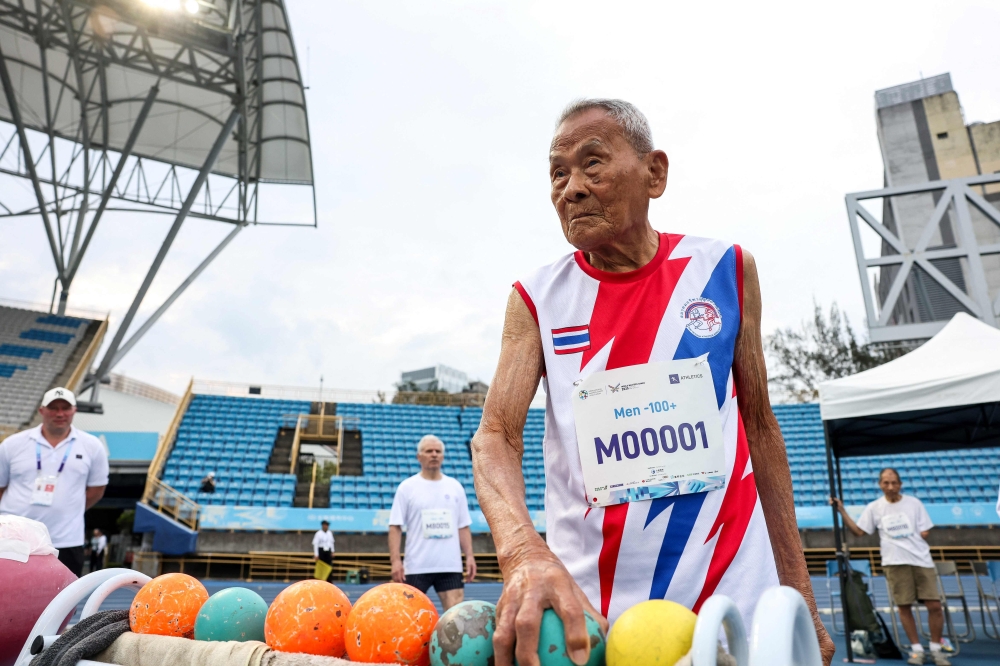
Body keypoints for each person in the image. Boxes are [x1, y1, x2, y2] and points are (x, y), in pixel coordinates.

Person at [471, 99, 833, 666]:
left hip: (732, 604)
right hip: (592, 612)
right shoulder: (536, 298)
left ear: (655, 173)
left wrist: (800, 590)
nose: (572, 188)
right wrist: (522, 551)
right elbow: (495, 436)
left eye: (592, 164)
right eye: (558, 173)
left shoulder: (726, 270)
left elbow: (761, 429)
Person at [832, 469, 948, 666]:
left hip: (921, 560)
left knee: (935, 606)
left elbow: (925, 528)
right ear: (880, 485)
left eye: (894, 482)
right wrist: (842, 510)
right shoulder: (875, 507)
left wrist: (920, 534)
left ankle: (937, 649)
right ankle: (917, 650)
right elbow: (859, 532)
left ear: (900, 484)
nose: (891, 487)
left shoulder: (914, 503)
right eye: (886, 483)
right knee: (904, 606)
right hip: (894, 562)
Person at [0, 387, 108, 577]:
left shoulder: (92, 446)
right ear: (41, 410)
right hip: (14, 541)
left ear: (74, 410)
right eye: (53, 408)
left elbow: (97, 490)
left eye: (65, 408)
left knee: (64, 603)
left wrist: (69, 508)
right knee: (9, 601)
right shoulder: (13, 444)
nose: (60, 413)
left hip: (66, 540)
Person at [389, 435, 477, 610]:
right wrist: (395, 561)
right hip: (416, 566)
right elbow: (395, 526)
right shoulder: (407, 488)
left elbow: (463, 526)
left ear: (443, 456)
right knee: (409, 616)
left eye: (438, 451)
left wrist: (470, 556)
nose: (434, 454)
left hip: (449, 564)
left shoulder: (455, 487)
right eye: (429, 451)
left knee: (454, 620)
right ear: (419, 456)